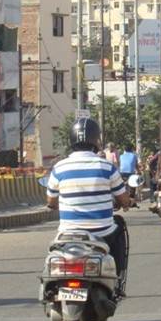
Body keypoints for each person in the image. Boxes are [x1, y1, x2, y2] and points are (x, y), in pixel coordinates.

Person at [45, 117, 131, 294]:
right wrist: (128, 202)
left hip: (67, 234)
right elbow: (123, 200)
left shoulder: (59, 168)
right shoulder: (107, 167)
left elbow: (51, 202)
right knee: (120, 226)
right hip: (102, 233)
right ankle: (118, 279)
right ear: (96, 140)